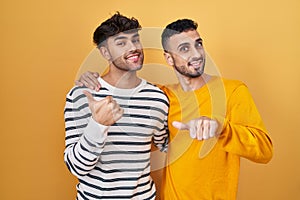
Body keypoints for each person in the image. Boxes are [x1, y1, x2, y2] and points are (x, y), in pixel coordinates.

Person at [77, 19, 273, 199]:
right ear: (169, 59)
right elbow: (124, 85)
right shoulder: (163, 96)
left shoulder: (232, 91)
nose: (196, 54)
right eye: (184, 48)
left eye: (199, 44)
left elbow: (264, 151)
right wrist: (93, 79)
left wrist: (221, 128)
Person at [64, 12, 169, 200]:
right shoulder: (82, 95)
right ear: (105, 52)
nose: (133, 48)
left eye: (135, 40)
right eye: (121, 43)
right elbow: (76, 167)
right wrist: (98, 124)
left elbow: (166, 145)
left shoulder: (157, 98)